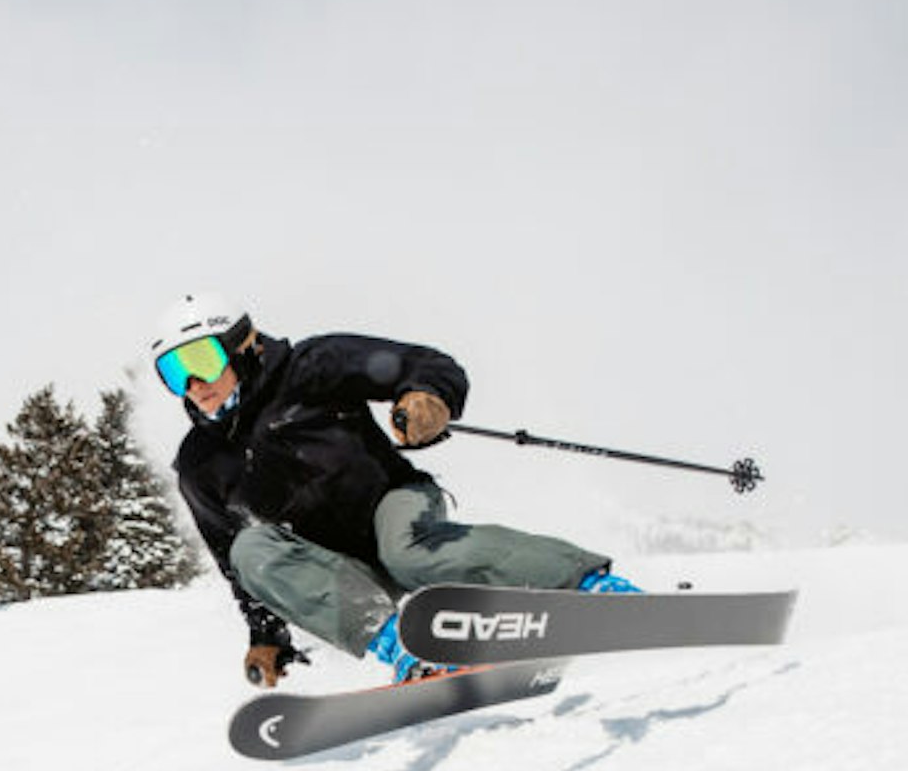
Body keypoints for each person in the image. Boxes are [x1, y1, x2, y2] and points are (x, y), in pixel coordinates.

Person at [148, 293, 633, 688]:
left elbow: (424, 364)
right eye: (173, 372)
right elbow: (235, 563)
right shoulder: (200, 463)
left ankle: (590, 585)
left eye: (201, 360)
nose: (194, 383)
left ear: (241, 347)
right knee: (249, 546)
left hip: (393, 505)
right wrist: (266, 633)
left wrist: (426, 397)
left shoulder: (312, 368)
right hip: (342, 570)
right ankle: (409, 651)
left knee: (406, 553)